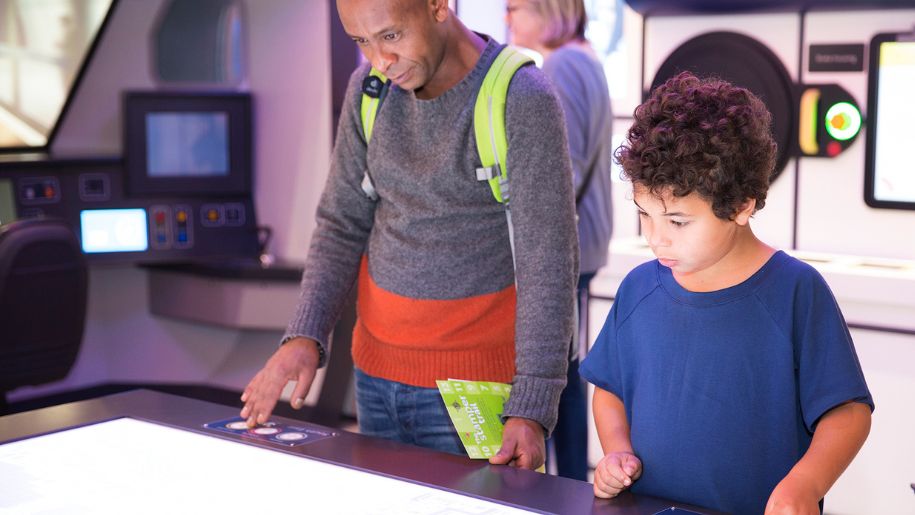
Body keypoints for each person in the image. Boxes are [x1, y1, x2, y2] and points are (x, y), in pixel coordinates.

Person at [240, 0, 579, 471]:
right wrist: (304, 334)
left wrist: (533, 406)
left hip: (476, 392)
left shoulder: (520, 96)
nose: (379, 60)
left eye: (391, 36)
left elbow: (550, 260)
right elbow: (341, 222)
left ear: (438, 5)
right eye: (361, 41)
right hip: (375, 379)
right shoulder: (369, 90)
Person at [580, 71, 873, 514]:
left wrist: (805, 485)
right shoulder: (639, 287)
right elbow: (610, 389)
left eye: (677, 221)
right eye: (645, 214)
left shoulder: (795, 292)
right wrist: (617, 450)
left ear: (741, 205)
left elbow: (848, 413)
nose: (656, 239)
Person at [506, 0, 613, 481]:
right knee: (565, 373)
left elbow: (561, 171)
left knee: (558, 375)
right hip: (585, 241)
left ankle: (563, 487)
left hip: (566, 243)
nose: (507, 19)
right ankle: (567, 483)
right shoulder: (584, 57)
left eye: (514, 7)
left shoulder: (564, 64)